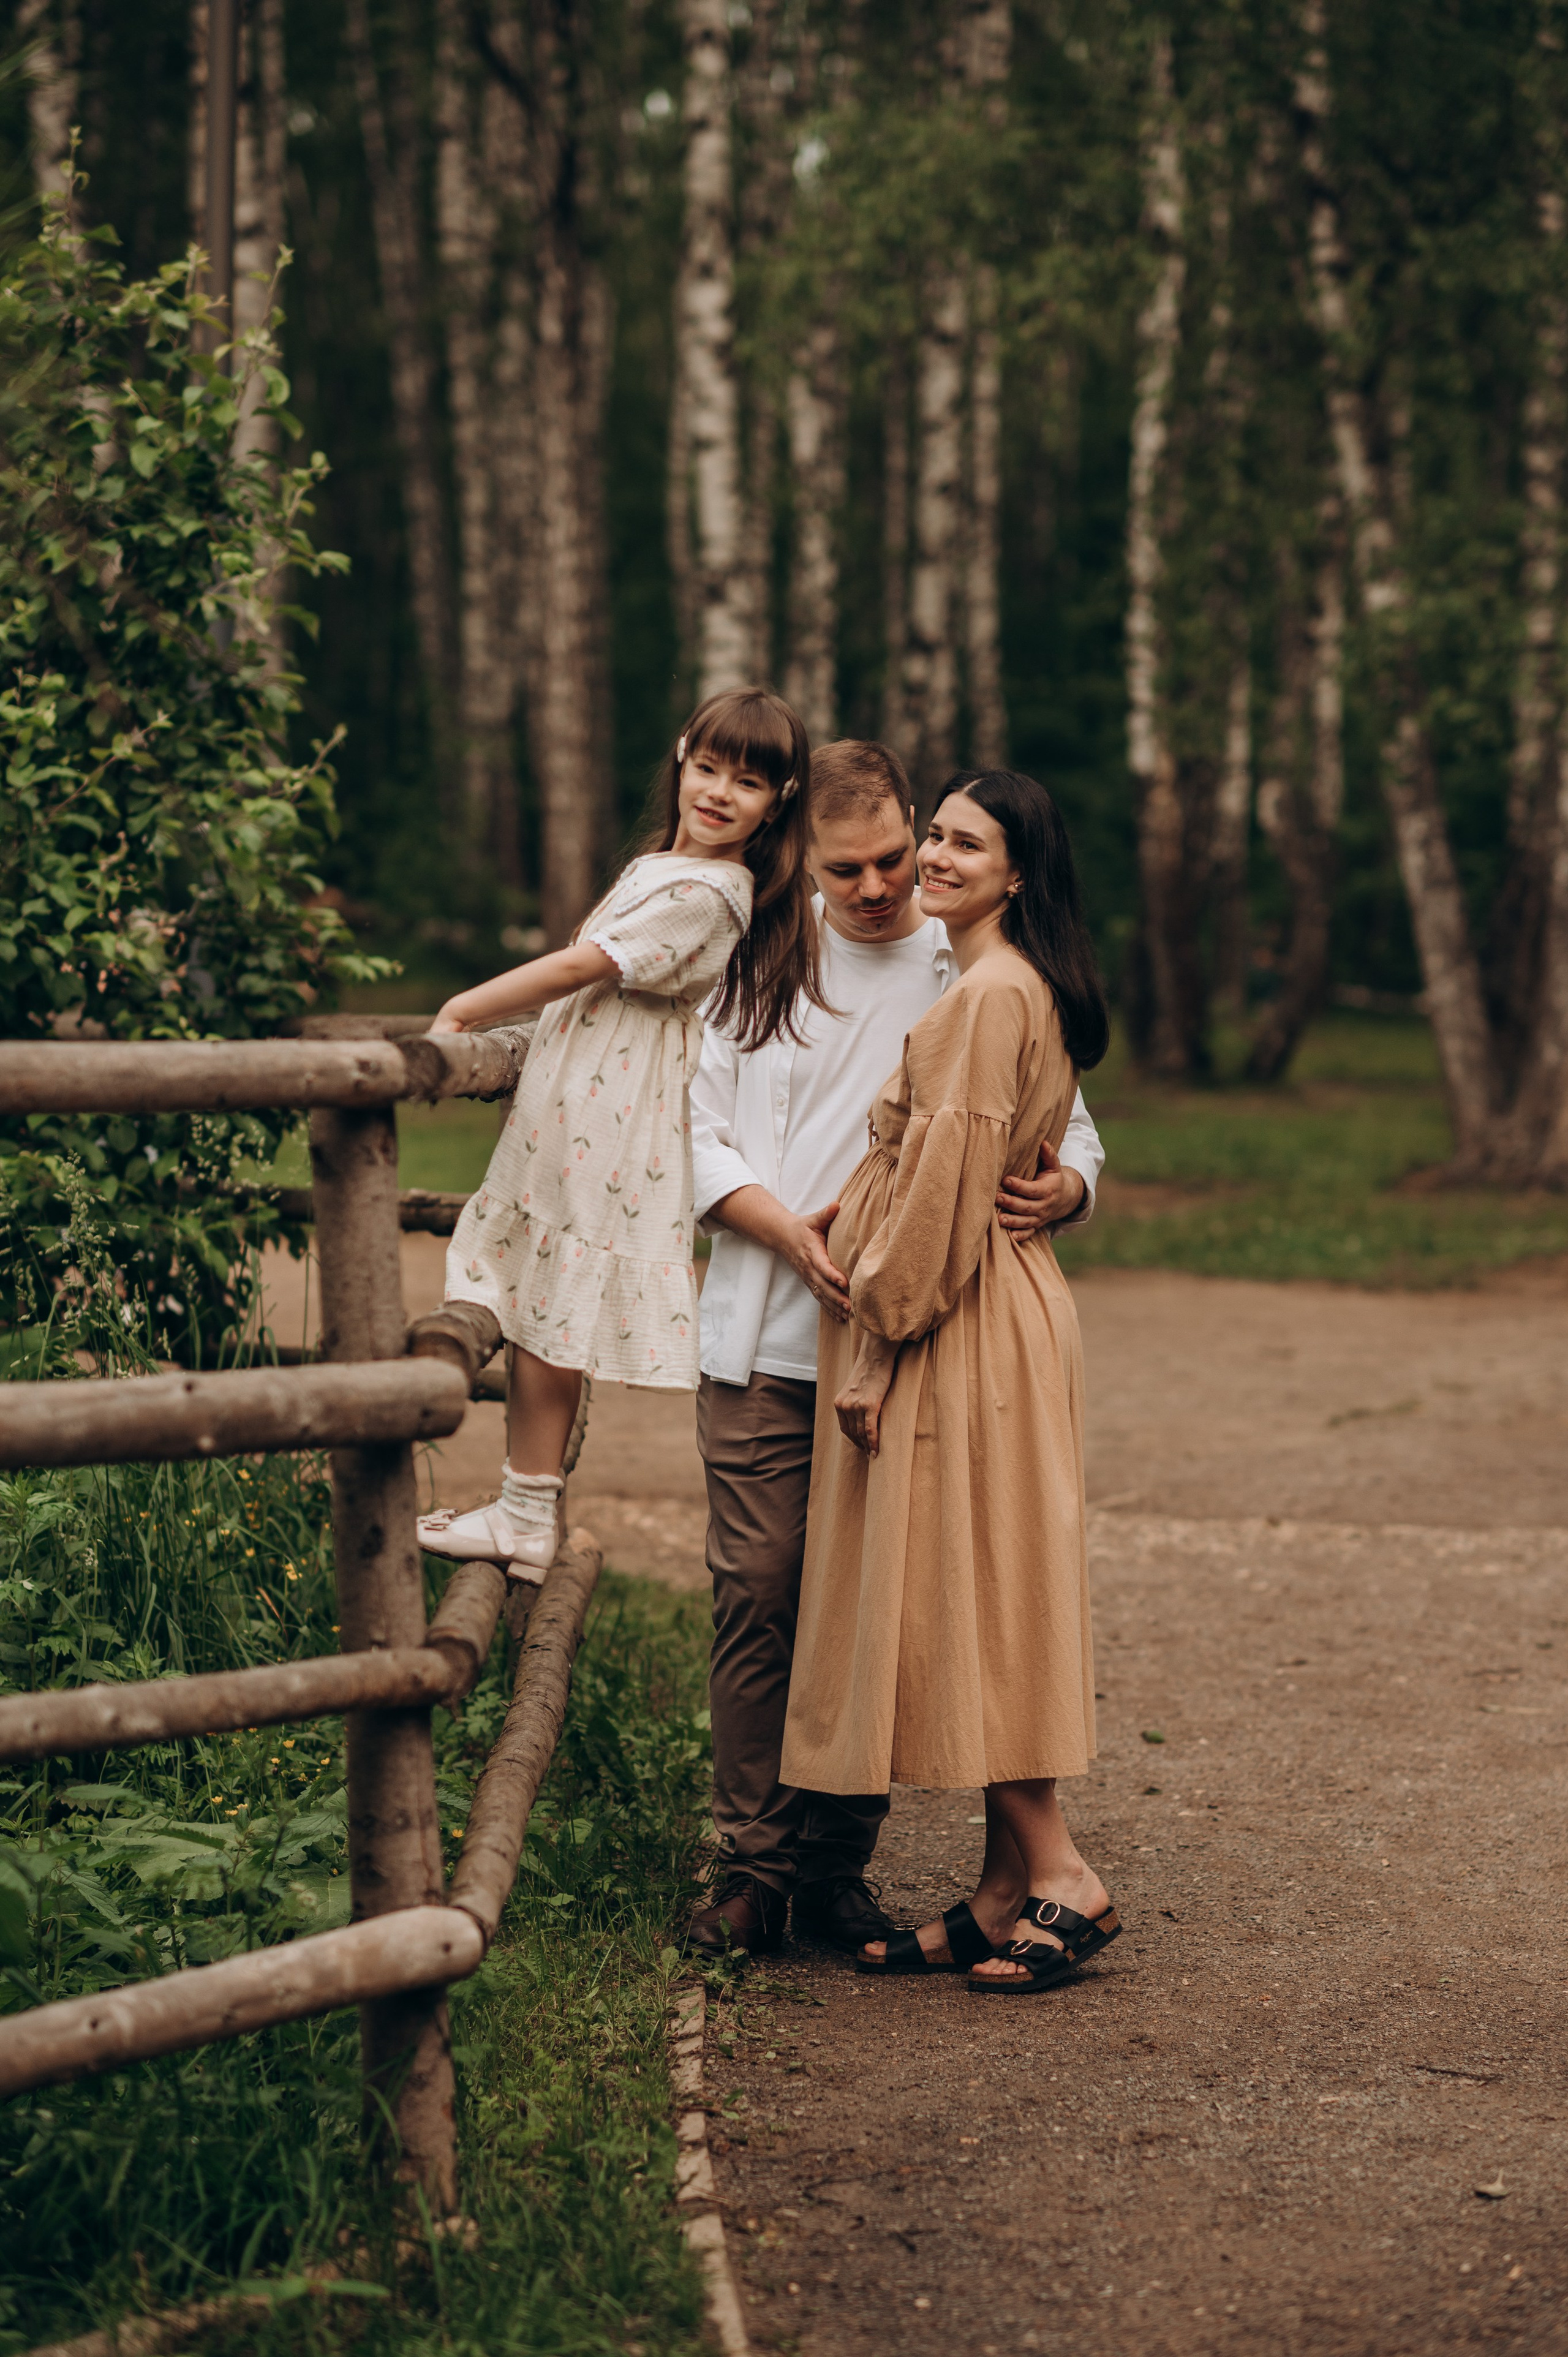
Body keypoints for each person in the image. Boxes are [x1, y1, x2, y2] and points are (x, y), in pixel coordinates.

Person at [685, 741, 1104, 1959]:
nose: (878, 886)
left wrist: (1069, 1188)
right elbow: (691, 1129)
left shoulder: (962, 956)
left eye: (893, 857)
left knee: (878, 1605)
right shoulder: (756, 958)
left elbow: (1058, 1120)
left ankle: (831, 1870)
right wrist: (787, 1231)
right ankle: (755, 1866)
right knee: (762, 1597)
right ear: (801, 859)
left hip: (909, 1334)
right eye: (845, 869)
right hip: (775, 1325)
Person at [416, 687, 824, 1582]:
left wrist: (463, 1008)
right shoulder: (663, 866)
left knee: (552, 1305)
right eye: (708, 768)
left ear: (777, 803)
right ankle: (523, 1509)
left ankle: (526, 1513)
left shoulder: (715, 893)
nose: (719, 793)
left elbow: (582, 966)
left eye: (748, 783)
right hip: (579, 1103)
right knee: (539, 1299)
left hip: (611, 1118)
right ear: (681, 757)